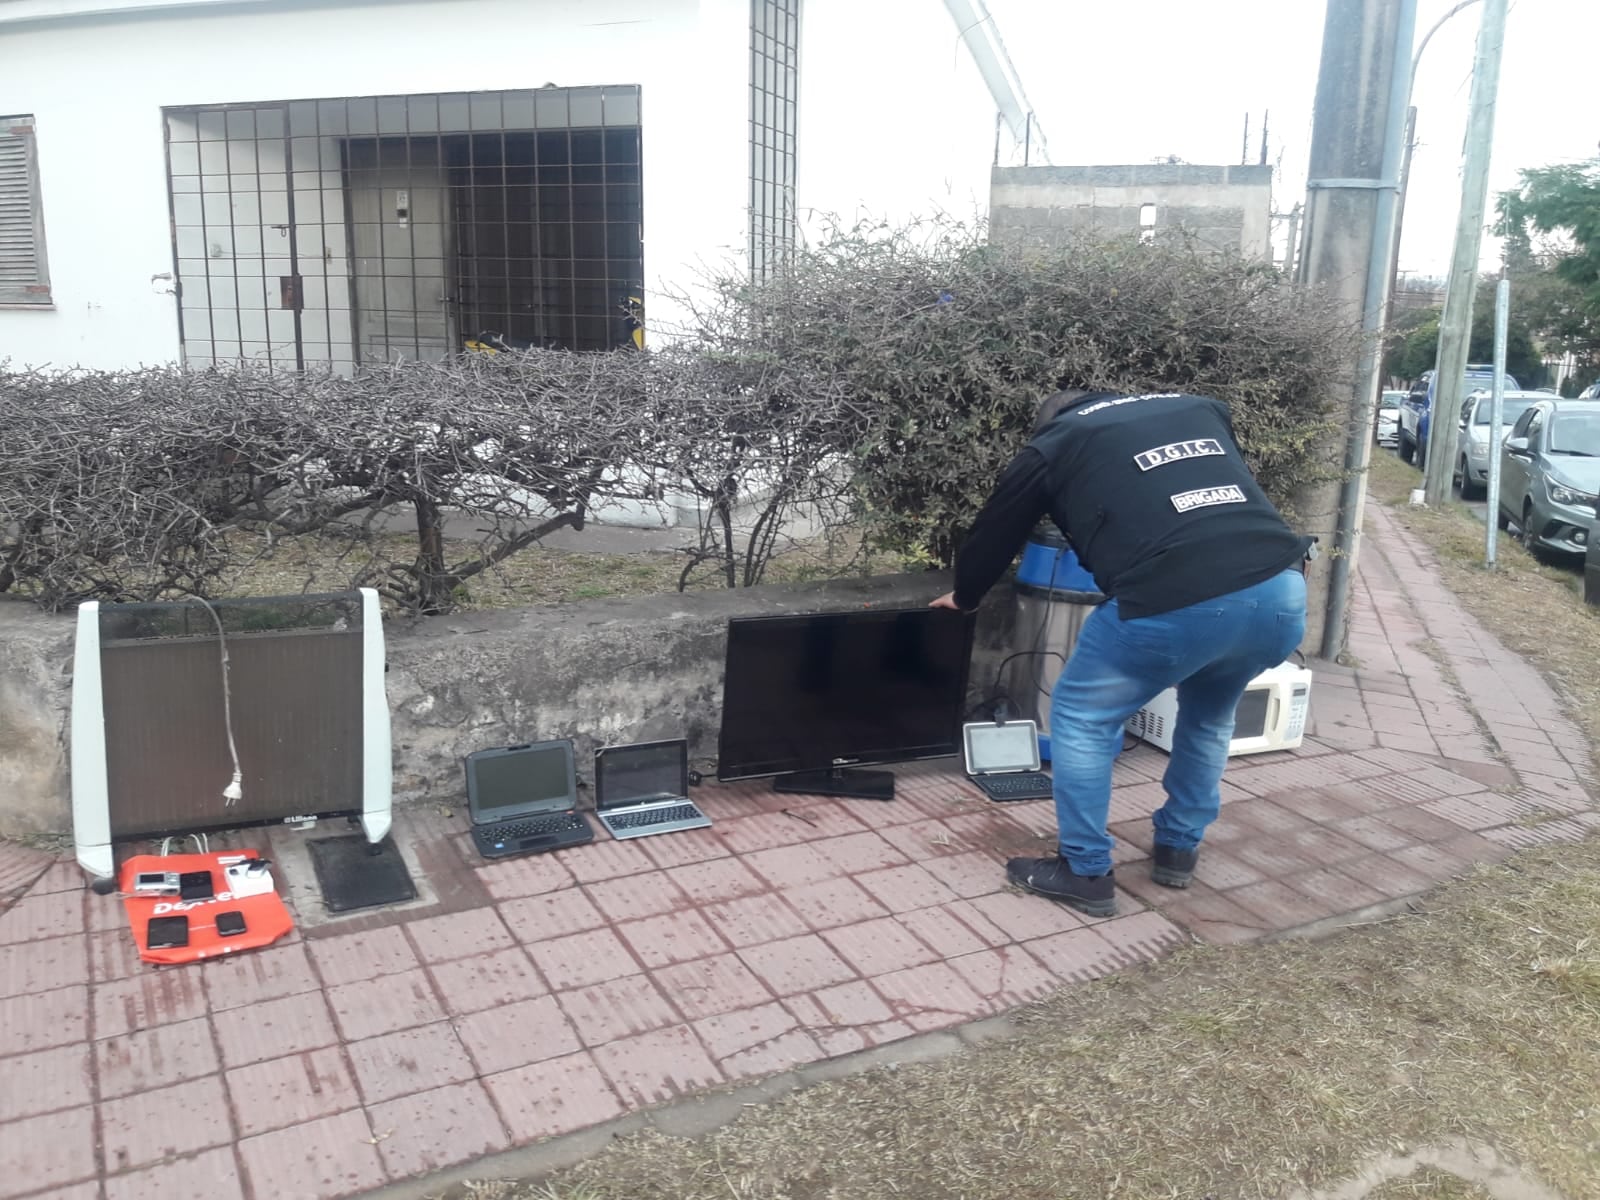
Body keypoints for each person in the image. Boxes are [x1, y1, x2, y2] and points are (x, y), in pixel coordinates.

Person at [931, 389, 1311, 918]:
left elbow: (996, 532)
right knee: (1208, 716)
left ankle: (1084, 871)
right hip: (1279, 590)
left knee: (1082, 717)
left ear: (1048, 422)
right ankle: (1179, 846)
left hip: (1174, 599)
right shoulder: (1195, 408)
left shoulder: (1053, 444)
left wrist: (966, 595)